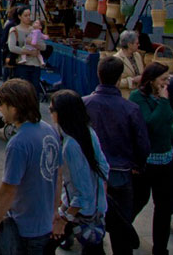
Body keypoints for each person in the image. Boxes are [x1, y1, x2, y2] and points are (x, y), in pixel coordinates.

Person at [83, 56, 150, 255]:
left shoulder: (84, 104)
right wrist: (138, 165)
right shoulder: (130, 108)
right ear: (120, 78)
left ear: (98, 74)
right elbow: (143, 144)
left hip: (92, 176)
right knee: (121, 234)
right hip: (120, 174)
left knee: (92, 231)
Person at [0, 78, 61, 253]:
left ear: (14, 108)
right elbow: (58, 174)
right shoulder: (48, 130)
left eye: (2, 104)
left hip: (25, 228)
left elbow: (8, 189)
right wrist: (54, 210)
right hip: (45, 222)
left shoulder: (18, 143)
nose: (0, 108)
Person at [49, 90, 110, 255]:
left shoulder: (71, 146)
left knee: (47, 244)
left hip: (81, 213)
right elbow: (104, 168)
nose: (50, 113)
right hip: (94, 208)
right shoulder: (88, 131)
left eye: (52, 109)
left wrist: (64, 219)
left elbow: (83, 193)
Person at [130, 62, 173, 255]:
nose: (167, 83)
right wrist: (164, 102)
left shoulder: (163, 95)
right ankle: (121, 229)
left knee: (164, 207)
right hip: (146, 163)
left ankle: (160, 248)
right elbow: (150, 124)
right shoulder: (137, 97)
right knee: (139, 200)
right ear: (151, 81)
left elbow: (169, 120)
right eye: (163, 79)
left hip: (165, 160)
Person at [6, 7, 46, 91]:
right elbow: (12, 47)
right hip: (22, 64)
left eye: (29, 15)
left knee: (35, 90)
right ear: (19, 16)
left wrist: (33, 44)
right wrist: (28, 52)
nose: (28, 17)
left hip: (35, 64)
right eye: (25, 15)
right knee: (23, 90)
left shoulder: (34, 30)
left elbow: (43, 46)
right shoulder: (15, 30)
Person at [114, 30, 144, 99]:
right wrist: (132, 80)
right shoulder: (117, 59)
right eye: (137, 43)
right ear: (129, 45)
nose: (139, 45)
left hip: (139, 94)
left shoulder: (137, 55)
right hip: (125, 96)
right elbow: (114, 82)